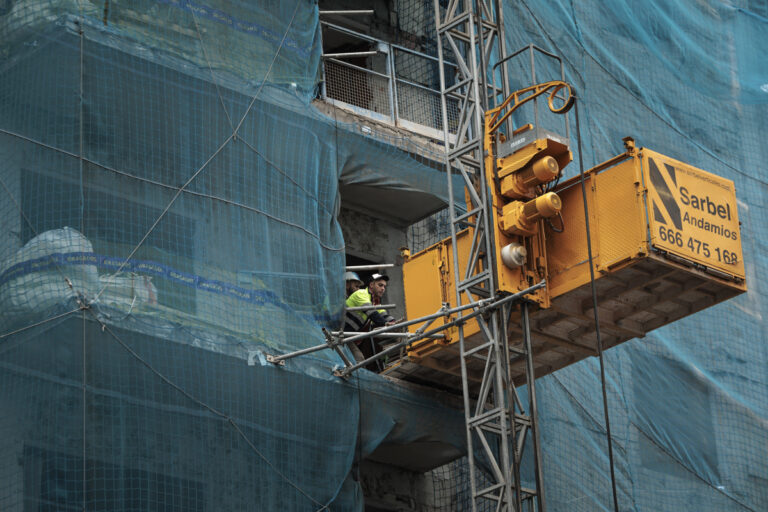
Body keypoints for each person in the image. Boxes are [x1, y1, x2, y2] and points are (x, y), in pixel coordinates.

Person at [344, 273, 396, 370]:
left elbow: (384, 315)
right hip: (342, 334)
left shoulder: (375, 302)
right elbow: (373, 314)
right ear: (371, 285)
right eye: (380, 285)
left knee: (357, 361)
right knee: (359, 360)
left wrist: (396, 323)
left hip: (351, 338)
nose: (383, 288)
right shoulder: (361, 294)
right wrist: (386, 324)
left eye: (384, 286)